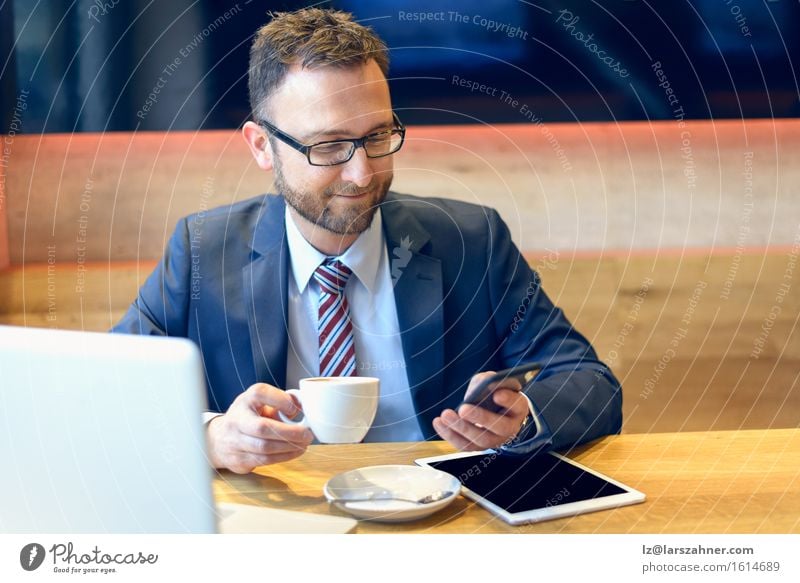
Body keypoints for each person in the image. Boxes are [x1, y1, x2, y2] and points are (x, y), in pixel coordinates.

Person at [113, 8, 621, 474]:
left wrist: (523, 418)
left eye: (377, 137)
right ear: (262, 146)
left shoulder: (471, 241)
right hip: (279, 521)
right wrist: (210, 436)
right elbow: (103, 393)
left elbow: (589, 383)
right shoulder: (203, 251)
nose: (362, 174)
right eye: (329, 146)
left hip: (437, 522)